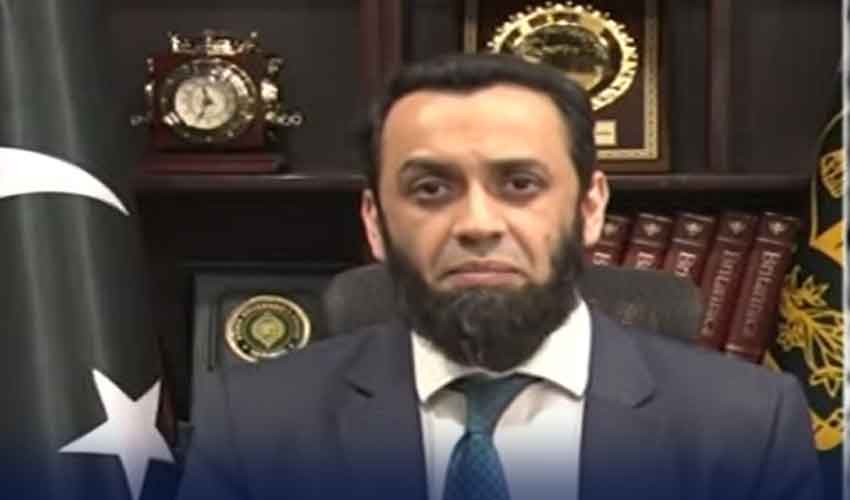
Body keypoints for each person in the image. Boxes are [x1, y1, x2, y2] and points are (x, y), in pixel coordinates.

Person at [176, 53, 822, 500]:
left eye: (520, 184)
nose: (478, 224)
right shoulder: (255, 425)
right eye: (431, 189)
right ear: (375, 221)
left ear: (590, 208)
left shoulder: (746, 428)